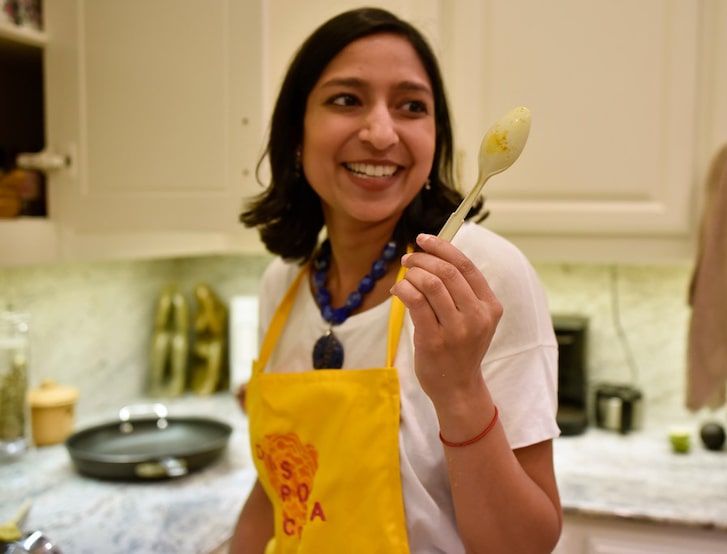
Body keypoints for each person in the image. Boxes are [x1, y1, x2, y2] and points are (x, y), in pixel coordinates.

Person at [230, 7, 562, 553]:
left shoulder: (478, 278)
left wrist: (459, 389)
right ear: (295, 131)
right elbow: (286, 493)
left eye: (411, 106)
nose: (381, 133)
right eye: (346, 99)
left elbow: (522, 546)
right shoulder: (283, 283)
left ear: (436, 139)